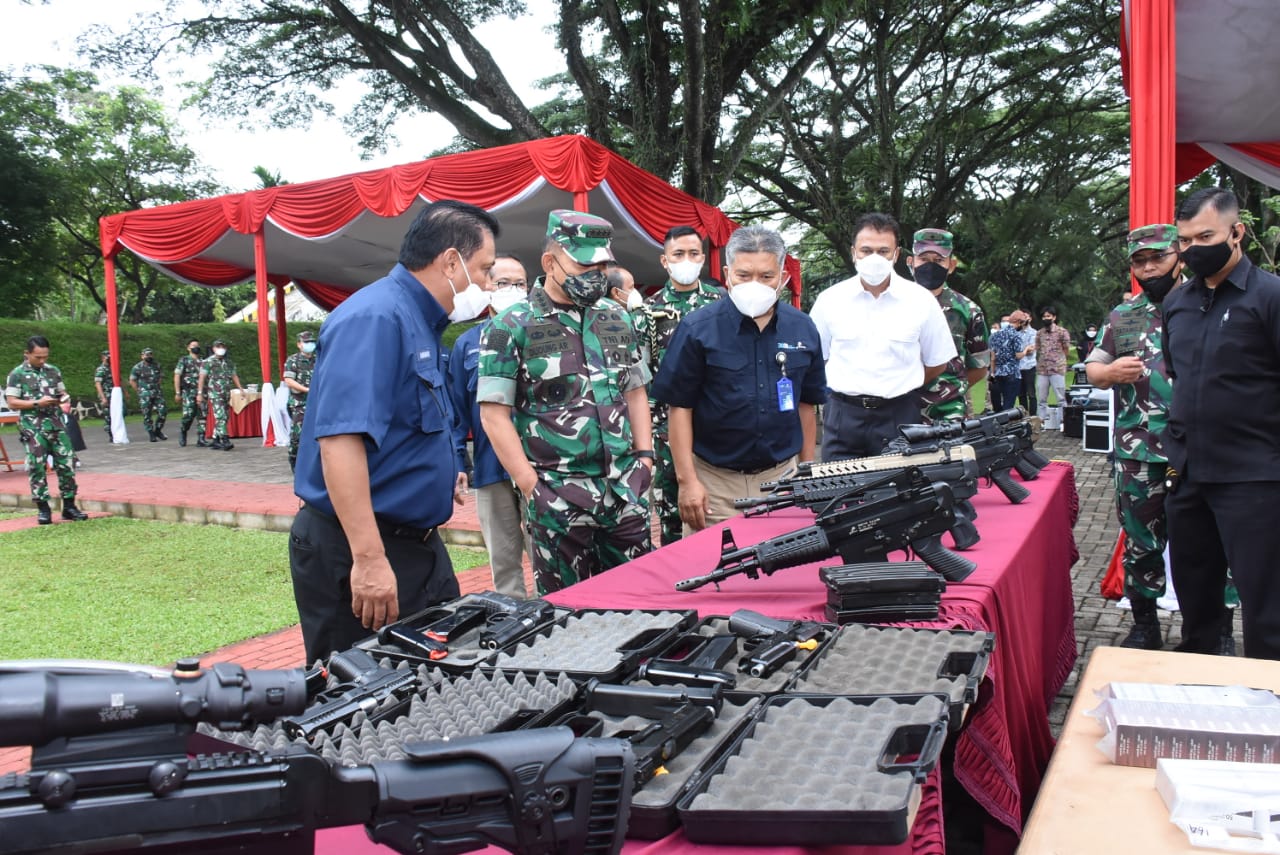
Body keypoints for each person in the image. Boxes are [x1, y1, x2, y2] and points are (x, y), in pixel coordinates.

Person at [291, 199, 497, 663]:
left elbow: (408, 422)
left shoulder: (419, 321)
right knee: (360, 693)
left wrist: (440, 471)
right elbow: (341, 442)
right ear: (450, 261)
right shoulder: (376, 318)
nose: (485, 284)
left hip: (416, 545)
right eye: (482, 269)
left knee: (436, 676)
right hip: (361, 548)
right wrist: (368, 559)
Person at [478, 209, 653, 594]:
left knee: (644, 606)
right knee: (567, 613)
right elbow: (494, 415)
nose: (595, 274)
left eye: (602, 264)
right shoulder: (510, 326)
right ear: (550, 262)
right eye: (584, 264)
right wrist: (532, 488)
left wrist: (644, 459)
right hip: (557, 497)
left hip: (625, 490)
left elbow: (636, 390)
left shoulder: (616, 317)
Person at [1163, 187, 1280, 660]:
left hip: (1254, 476)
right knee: (1196, 602)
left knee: (1266, 606)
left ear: (1237, 233)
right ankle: (1202, 692)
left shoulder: (1270, 297)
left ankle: (1269, 706)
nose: (1193, 250)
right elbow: (1178, 375)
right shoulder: (1177, 304)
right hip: (1188, 474)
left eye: (1205, 236)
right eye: (1185, 241)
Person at [651, 225, 827, 531]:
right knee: (712, 573)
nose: (755, 284)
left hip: (781, 481)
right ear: (727, 273)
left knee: (783, 572)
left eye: (766, 276)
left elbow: (806, 404)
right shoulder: (698, 328)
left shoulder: (803, 329)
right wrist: (687, 481)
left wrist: (806, 471)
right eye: (744, 276)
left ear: (783, 277)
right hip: (715, 486)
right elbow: (680, 408)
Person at [809, 212, 955, 460]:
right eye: (866, 250)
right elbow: (816, 359)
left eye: (883, 251)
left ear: (896, 254)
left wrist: (901, 382)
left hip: (899, 414)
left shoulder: (920, 301)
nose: (874, 258)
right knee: (836, 491)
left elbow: (937, 362)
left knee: (899, 493)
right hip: (843, 416)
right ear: (854, 252)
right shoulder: (830, 300)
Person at [448, 253, 533, 598]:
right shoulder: (467, 345)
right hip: (490, 468)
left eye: (520, 284)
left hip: (539, 466)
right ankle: (516, 626)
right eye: (502, 283)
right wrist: (457, 462)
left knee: (549, 555)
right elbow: (454, 411)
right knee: (503, 560)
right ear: (486, 288)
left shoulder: (546, 335)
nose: (512, 290)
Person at [644, 226, 724, 545]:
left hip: (716, 427)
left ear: (703, 259)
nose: (686, 260)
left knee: (719, 512)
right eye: (679, 254)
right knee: (673, 519)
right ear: (665, 261)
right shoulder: (646, 312)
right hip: (666, 434)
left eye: (693, 254)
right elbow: (641, 380)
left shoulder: (723, 304)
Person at [907, 228, 990, 422]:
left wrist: (950, 390)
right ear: (911, 262)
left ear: (951, 265)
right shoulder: (893, 304)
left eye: (938, 261)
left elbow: (979, 367)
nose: (930, 266)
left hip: (949, 415)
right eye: (924, 259)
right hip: (901, 411)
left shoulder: (968, 310)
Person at [5, 336, 89, 524]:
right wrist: (37, 402)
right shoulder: (17, 374)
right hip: (33, 426)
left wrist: (64, 398)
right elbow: (12, 402)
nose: (42, 361)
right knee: (37, 466)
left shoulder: (53, 371)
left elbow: (62, 392)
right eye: (38, 357)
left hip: (56, 423)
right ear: (27, 354)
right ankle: (43, 509)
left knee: (67, 464)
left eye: (45, 356)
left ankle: (69, 506)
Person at [197, 339, 244, 451]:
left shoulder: (228, 362)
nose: (220, 349)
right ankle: (225, 439)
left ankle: (216, 439)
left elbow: (234, 375)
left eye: (222, 346)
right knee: (221, 416)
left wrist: (240, 388)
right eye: (218, 346)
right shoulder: (208, 362)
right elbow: (202, 378)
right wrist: (199, 393)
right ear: (213, 349)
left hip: (226, 392)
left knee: (225, 416)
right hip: (215, 393)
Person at [282, 330, 317, 473]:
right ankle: (294, 459)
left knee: (316, 434)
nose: (310, 344)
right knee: (298, 434)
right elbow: (289, 380)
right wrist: (306, 389)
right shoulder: (293, 360)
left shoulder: (318, 359)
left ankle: (313, 463)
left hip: (315, 402)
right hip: (299, 404)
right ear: (299, 344)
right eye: (306, 342)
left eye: (311, 342)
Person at [605, 263, 651, 369]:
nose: (635, 292)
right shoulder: (603, 323)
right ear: (616, 292)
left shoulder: (641, 317)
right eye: (631, 287)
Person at [1035, 306, 1072, 427]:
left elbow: (1066, 349)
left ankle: (1063, 422)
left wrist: (1060, 361)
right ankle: (1041, 422)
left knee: (1061, 398)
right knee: (1041, 398)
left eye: (1048, 316)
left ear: (1054, 317)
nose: (1046, 318)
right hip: (1042, 370)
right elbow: (1038, 348)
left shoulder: (1062, 332)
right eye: (1044, 316)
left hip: (1057, 369)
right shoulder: (1040, 333)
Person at [173, 338, 208, 447]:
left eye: (197, 345)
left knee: (202, 415)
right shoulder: (184, 360)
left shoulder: (203, 361)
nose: (196, 347)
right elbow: (177, 376)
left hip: (202, 393)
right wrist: (178, 392)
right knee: (188, 415)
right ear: (188, 348)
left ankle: (201, 438)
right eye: (193, 345)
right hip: (188, 392)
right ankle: (183, 431)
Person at [129, 347, 168, 442]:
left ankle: (158, 430)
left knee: (163, 411)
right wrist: (139, 391)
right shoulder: (137, 367)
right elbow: (132, 380)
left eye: (150, 354)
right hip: (145, 394)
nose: (149, 356)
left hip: (157, 393)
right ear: (142, 356)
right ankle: (151, 433)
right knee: (147, 414)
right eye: (146, 355)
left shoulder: (157, 365)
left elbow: (160, 377)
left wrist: (157, 385)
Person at [988, 316, 1023, 412]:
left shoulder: (994, 336)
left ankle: (998, 421)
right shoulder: (1016, 335)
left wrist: (992, 373)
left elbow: (993, 358)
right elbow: (1018, 355)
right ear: (1019, 322)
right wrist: (1027, 350)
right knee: (1008, 403)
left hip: (998, 372)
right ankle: (1006, 422)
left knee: (997, 403)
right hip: (1012, 372)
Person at [1014, 310, 1038, 414]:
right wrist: (1024, 349)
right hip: (1018, 367)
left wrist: (1021, 351)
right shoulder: (1015, 332)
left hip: (1029, 366)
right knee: (1021, 394)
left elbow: (1031, 350)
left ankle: (1033, 416)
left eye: (1026, 317)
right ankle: (1024, 415)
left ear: (1030, 319)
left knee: (1031, 393)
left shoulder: (1033, 333)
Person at [93, 350, 115, 439]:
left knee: (119, 413)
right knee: (108, 416)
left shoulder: (113, 368)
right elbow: (98, 384)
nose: (109, 359)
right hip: (106, 395)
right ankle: (111, 434)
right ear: (103, 358)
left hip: (114, 395)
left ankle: (116, 431)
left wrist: (125, 393)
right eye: (108, 357)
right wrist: (103, 398)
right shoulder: (101, 369)